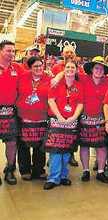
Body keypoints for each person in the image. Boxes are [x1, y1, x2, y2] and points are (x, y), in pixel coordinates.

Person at [43, 61, 83, 190]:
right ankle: (53, 178)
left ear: (76, 70)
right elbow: (51, 100)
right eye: (67, 67)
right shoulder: (56, 83)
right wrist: (59, 116)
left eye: (73, 67)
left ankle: (64, 176)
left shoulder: (79, 86)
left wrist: (74, 117)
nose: (70, 69)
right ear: (63, 69)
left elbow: (80, 103)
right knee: (55, 150)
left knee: (67, 150)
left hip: (71, 122)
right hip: (56, 120)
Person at [79, 56, 108, 183]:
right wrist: (57, 77)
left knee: (102, 146)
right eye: (96, 68)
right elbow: (67, 72)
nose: (99, 70)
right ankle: (85, 171)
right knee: (84, 145)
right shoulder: (83, 78)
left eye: (101, 68)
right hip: (85, 119)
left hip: (101, 120)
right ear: (92, 69)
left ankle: (101, 172)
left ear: (104, 71)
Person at [16, 57, 50, 181]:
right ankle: (25, 170)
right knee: (23, 145)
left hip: (42, 118)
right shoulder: (23, 77)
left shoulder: (48, 78)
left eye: (41, 65)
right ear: (30, 67)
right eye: (35, 66)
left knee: (40, 146)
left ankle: (39, 170)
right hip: (23, 117)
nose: (39, 68)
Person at [51, 45, 84, 167]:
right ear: (62, 53)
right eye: (67, 52)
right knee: (56, 133)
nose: (69, 54)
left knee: (72, 133)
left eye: (71, 52)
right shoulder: (55, 67)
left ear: (74, 54)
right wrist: (60, 75)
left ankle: (71, 155)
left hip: (74, 105)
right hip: (59, 105)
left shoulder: (79, 69)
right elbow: (52, 82)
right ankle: (53, 154)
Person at [0, 40, 23, 185]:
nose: (11, 54)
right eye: (8, 50)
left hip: (11, 111)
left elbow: (33, 77)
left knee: (12, 142)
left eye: (13, 51)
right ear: (1, 51)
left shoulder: (18, 68)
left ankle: (10, 169)